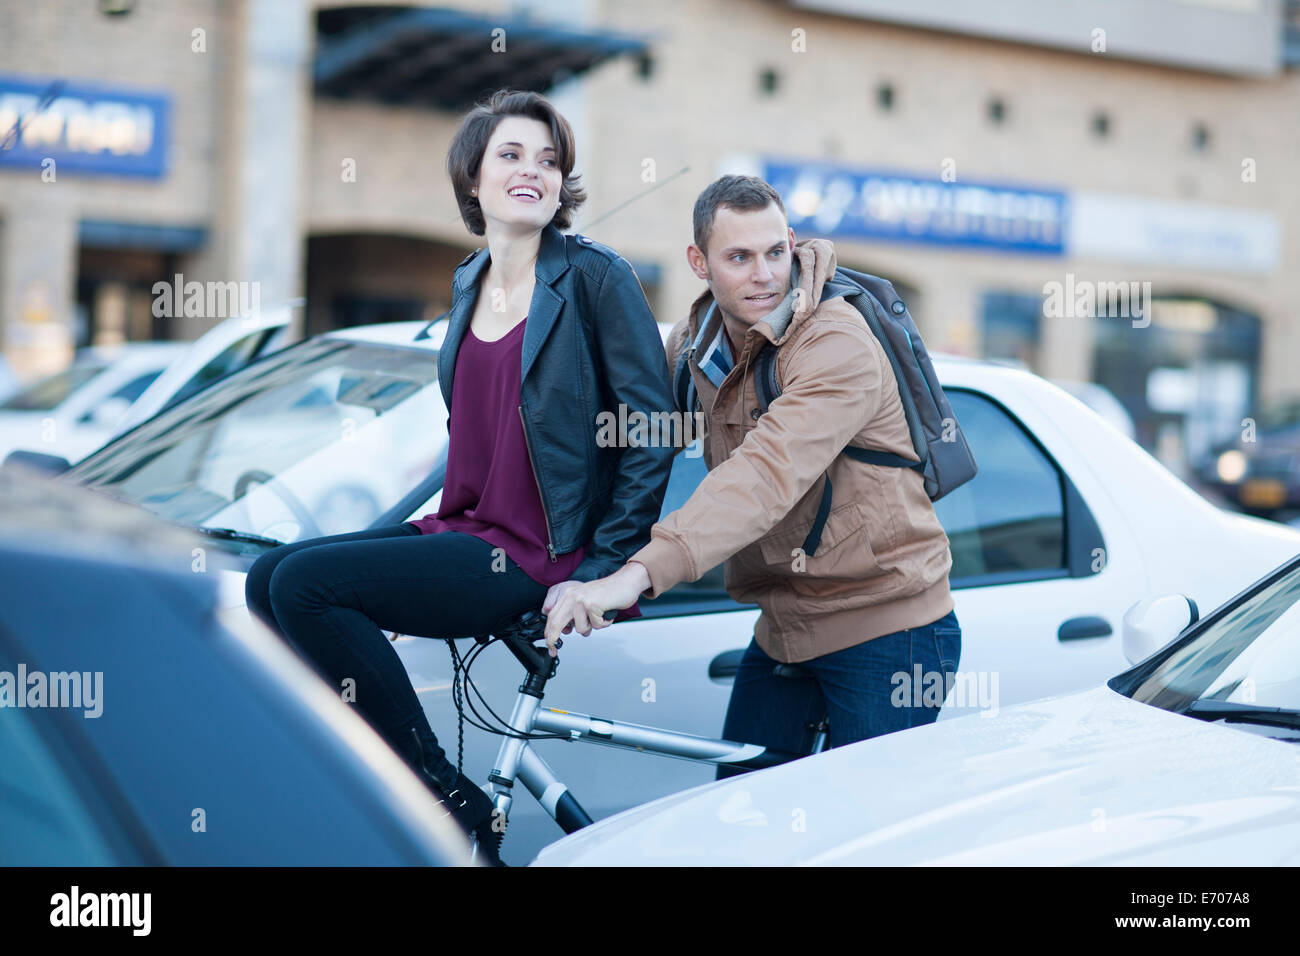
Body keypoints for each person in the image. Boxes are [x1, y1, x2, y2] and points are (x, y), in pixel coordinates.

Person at [244, 89, 681, 863]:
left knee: (305, 587)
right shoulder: (468, 281)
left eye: (548, 161)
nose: (533, 172)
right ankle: (392, 778)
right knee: (267, 577)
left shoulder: (593, 278)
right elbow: (477, 427)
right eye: (511, 155)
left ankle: (443, 794)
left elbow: (652, 431)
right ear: (472, 181)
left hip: (532, 549)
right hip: (463, 525)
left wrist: (605, 570)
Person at [544, 174, 962, 777]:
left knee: (862, 834)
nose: (764, 274)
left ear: (791, 242)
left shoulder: (836, 343)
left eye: (774, 252)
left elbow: (762, 478)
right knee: (741, 817)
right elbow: (632, 439)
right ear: (699, 261)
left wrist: (637, 576)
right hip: (785, 628)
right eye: (738, 257)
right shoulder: (698, 344)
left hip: (890, 630)